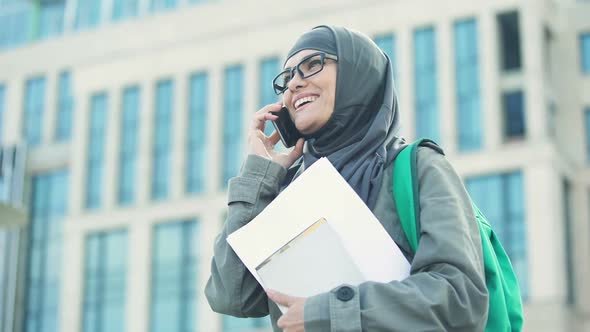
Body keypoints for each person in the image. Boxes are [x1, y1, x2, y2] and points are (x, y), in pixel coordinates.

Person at [205, 25, 488, 332]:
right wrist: (259, 176)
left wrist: (326, 313)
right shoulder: (289, 191)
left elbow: (461, 297)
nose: (295, 84)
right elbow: (230, 296)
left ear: (358, 75)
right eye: (286, 79)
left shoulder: (418, 168)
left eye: (312, 65)